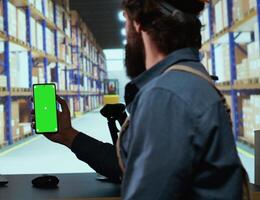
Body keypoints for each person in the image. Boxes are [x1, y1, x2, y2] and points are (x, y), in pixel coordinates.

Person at [32, 0, 246, 199]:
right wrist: (68, 135)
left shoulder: (166, 95)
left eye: (125, 20)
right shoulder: (187, 80)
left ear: (138, 25)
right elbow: (131, 164)